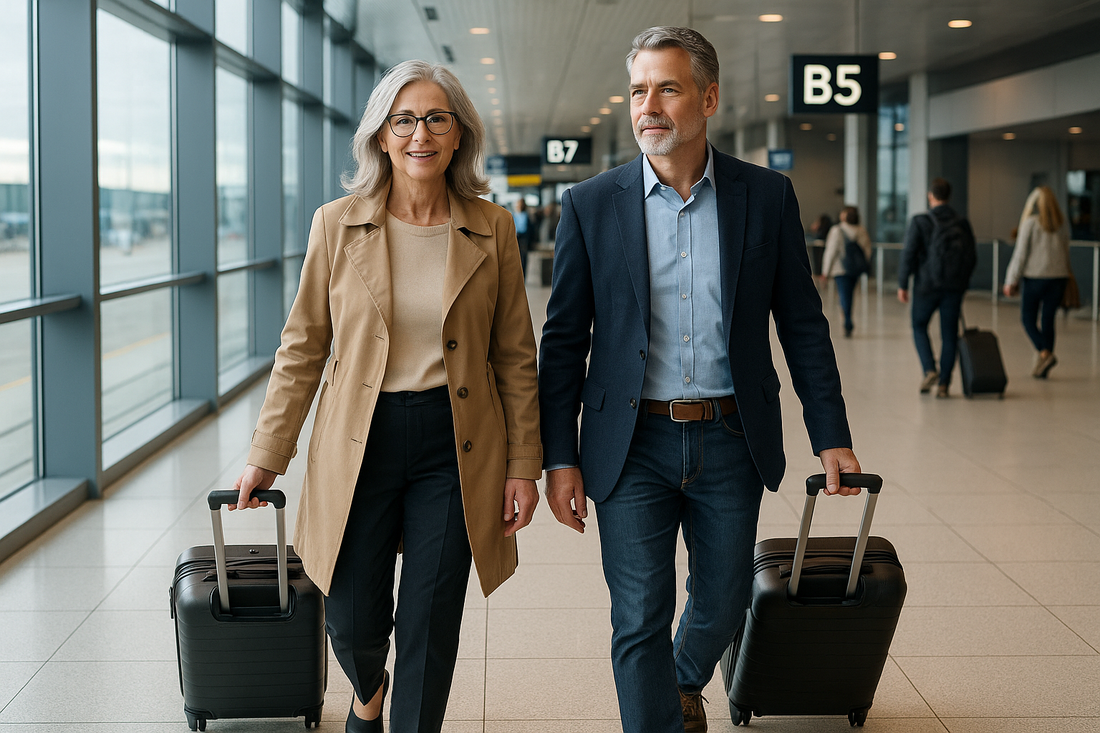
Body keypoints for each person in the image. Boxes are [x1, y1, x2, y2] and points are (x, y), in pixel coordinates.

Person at [537, 27, 862, 733]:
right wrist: (558, 456)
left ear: (708, 97)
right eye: (637, 91)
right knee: (638, 616)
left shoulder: (766, 196)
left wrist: (830, 433)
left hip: (730, 437)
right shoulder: (593, 204)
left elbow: (802, 324)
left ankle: (683, 681)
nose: (647, 105)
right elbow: (562, 343)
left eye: (668, 88)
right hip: (630, 444)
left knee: (722, 600)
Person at [229, 60, 542, 733]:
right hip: (358, 439)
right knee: (349, 614)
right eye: (403, 119)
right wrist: (267, 453)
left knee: (430, 616)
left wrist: (523, 465)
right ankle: (368, 689)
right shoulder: (337, 224)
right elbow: (303, 346)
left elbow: (514, 354)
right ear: (380, 135)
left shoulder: (492, 228)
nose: (419, 133)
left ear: (459, 135)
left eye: (436, 118)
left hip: (455, 442)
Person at [897, 177, 977, 398]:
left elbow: (909, 254)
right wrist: (963, 282)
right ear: (948, 196)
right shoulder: (961, 223)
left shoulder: (920, 221)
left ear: (930, 196)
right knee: (949, 335)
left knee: (919, 326)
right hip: (953, 287)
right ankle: (944, 385)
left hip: (926, 286)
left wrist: (903, 283)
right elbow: (971, 256)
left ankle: (929, 369)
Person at [1003, 185, 1073, 378]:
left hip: (1035, 278)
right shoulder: (1062, 224)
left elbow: (1020, 254)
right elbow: (1066, 250)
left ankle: (1044, 353)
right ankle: (1043, 366)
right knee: (1048, 321)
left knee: (1027, 319)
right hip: (1059, 278)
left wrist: (1011, 280)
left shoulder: (1031, 224)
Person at [819, 205, 873, 337]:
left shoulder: (837, 230)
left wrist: (825, 271)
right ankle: (847, 319)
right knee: (849, 294)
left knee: (844, 295)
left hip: (840, 270)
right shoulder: (861, 230)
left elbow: (831, 252)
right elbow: (867, 250)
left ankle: (847, 321)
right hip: (854, 270)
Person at [512, 198, 533, 277]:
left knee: (523, 259)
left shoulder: (527, 216)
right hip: (515, 238)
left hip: (523, 239)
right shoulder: (514, 215)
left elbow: (530, 230)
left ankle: (523, 277)